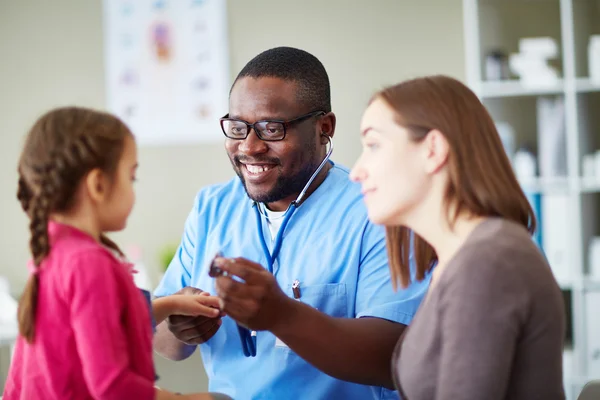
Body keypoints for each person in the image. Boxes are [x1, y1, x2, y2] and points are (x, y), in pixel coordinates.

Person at [153, 46, 430, 399]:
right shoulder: (213, 206)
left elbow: (394, 359)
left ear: (323, 128)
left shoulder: (377, 211)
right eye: (238, 128)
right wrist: (180, 324)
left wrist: (282, 315)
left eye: (271, 128)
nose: (249, 147)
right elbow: (167, 343)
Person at [350, 75, 566, 399]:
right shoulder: (458, 260)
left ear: (433, 150)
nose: (356, 170)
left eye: (374, 145)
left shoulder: (488, 262)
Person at [4, 107, 229, 400]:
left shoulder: (55, 253)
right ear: (98, 185)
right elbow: (113, 387)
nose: (133, 190)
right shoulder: (90, 264)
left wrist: (172, 303)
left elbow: (101, 320)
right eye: (131, 177)